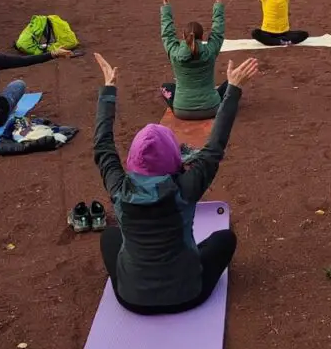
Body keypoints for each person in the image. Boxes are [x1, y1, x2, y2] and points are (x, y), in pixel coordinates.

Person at [93, 51, 259, 315]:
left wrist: (108, 91)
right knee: (224, 239)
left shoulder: (118, 188)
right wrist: (233, 89)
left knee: (110, 237)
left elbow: (102, 146)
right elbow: (215, 146)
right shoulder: (186, 186)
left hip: (131, 297)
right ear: (173, 158)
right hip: (188, 294)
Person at [159, 0, 228, 120]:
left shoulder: (175, 53)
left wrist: (166, 6)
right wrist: (218, 4)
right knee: (231, 84)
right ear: (202, 37)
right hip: (211, 108)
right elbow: (218, 32)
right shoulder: (210, 51)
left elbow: (167, 34)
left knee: (165, 86)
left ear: (183, 37)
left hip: (181, 110)